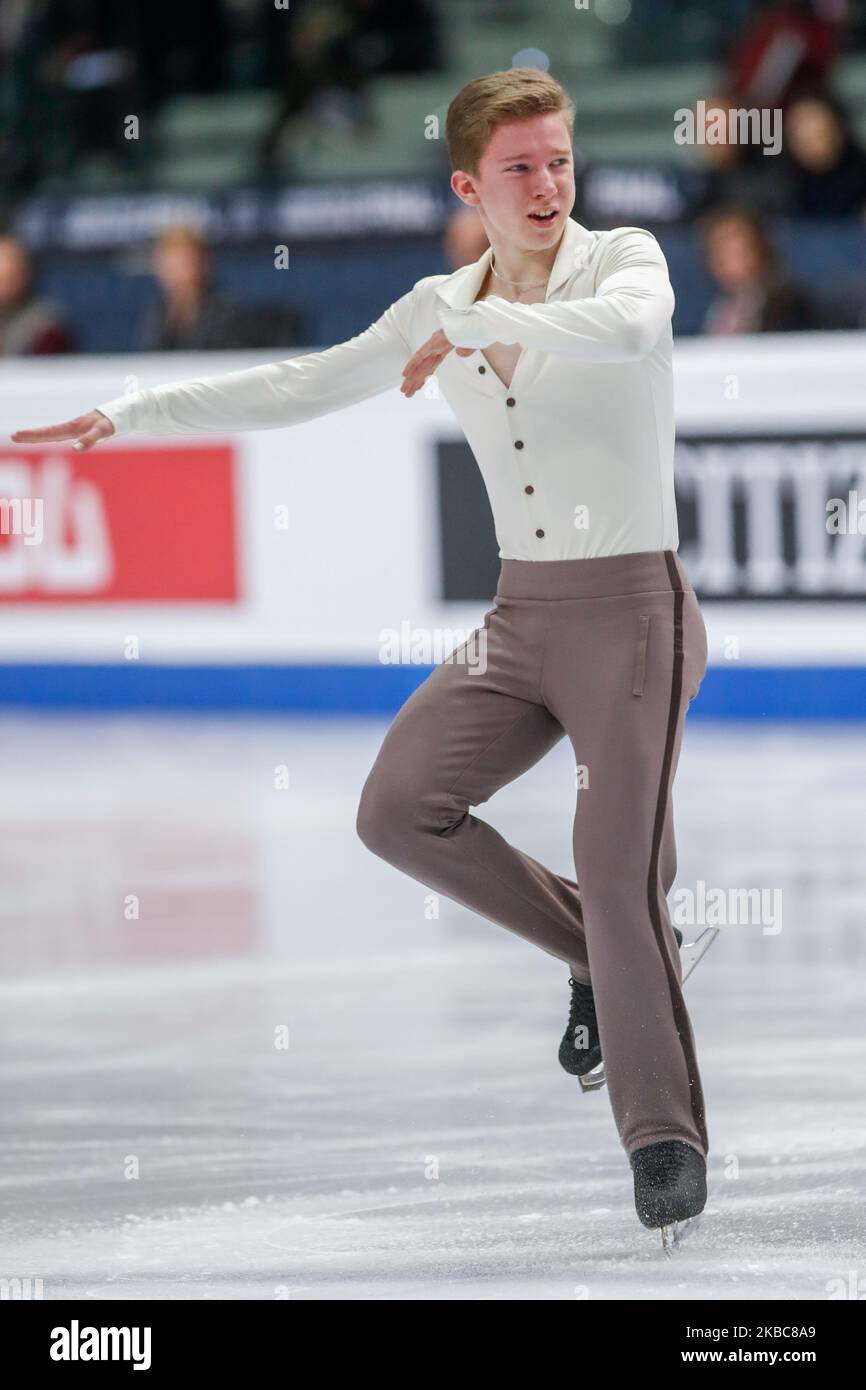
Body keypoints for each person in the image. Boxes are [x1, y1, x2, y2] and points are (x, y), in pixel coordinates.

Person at [10, 68, 710, 1234]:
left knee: (619, 861)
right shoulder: (436, 300)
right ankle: (602, 946)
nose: (546, 187)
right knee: (397, 807)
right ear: (466, 185)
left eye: (558, 162)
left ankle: (662, 1137)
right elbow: (300, 385)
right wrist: (130, 416)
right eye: (518, 169)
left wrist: (485, 320)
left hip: (635, 615)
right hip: (521, 619)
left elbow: (625, 331)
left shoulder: (622, 259)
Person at [698, 204, 821, 333]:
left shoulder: (787, 306)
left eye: (737, 251)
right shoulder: (720, 308)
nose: (722, 262)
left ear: (761, 248)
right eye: (717, 252)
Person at [0, 236, 74, 356]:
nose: (3, 288)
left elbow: (49, 370)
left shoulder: (45, 327)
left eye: (9, 278)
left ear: (24, 276)